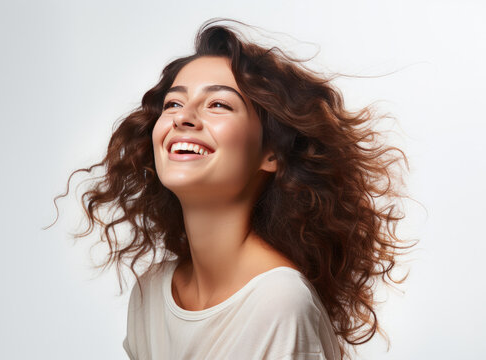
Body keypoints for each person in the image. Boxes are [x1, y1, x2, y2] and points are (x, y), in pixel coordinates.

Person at [51, 18, 413, 360]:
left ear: (271, 153)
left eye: (218, 104)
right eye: (173, 103)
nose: (183, 117)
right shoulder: (150, 294)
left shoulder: (279, 302)